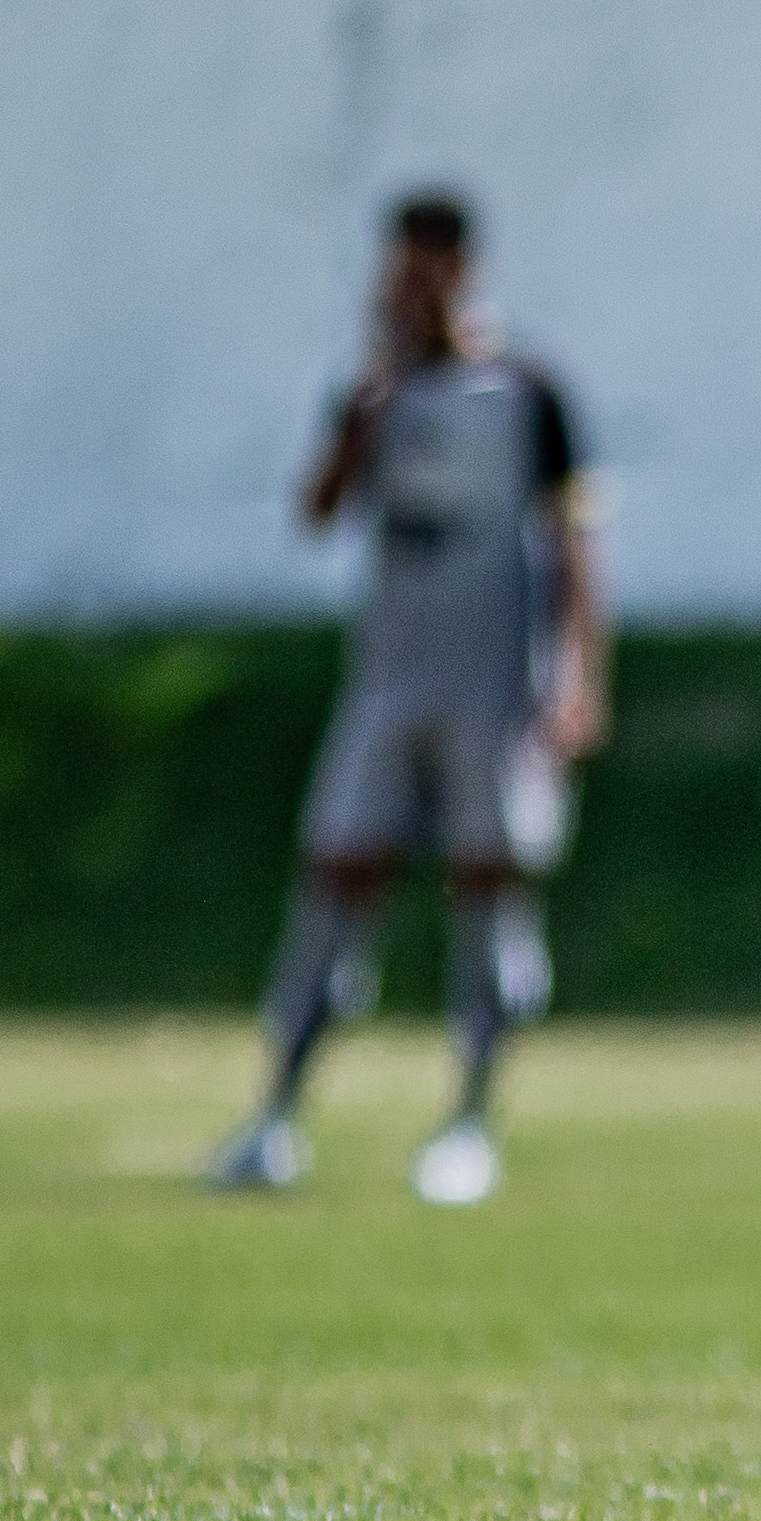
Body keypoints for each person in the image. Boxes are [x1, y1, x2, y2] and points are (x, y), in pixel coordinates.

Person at [209, 190, 606, 1210]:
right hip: (388, 682)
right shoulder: (370, 391)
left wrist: (576, 678)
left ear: (464, 269)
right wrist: (368, 409)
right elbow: (318, 510)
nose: (414, 286)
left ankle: (469, 1123)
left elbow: (573, 545)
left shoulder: (527, 388)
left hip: (492, 689)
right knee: (336, 881)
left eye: (432, 267)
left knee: (487, 895)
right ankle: (274, 1118)